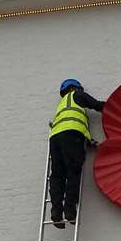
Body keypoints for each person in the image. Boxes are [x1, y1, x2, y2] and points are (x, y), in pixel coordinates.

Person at [48, 78, 107, 228]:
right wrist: (113, 106)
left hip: (55, 139)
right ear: (75, 88)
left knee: (57, 175)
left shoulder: (61, 107)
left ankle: (56, 212)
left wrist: (90, 142)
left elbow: (74, 124)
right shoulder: (77, 95)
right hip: (71, 137)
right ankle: (69, 211)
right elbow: (96, 105)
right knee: (73, 172)